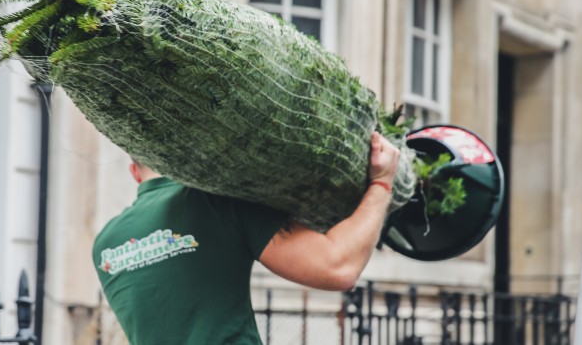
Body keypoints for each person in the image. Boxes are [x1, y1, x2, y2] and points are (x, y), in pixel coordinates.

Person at [92, 132, 401, 344]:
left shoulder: (106, 244)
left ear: (135, 171)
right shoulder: (218, 202)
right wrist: (381, 184)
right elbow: (337, 267)